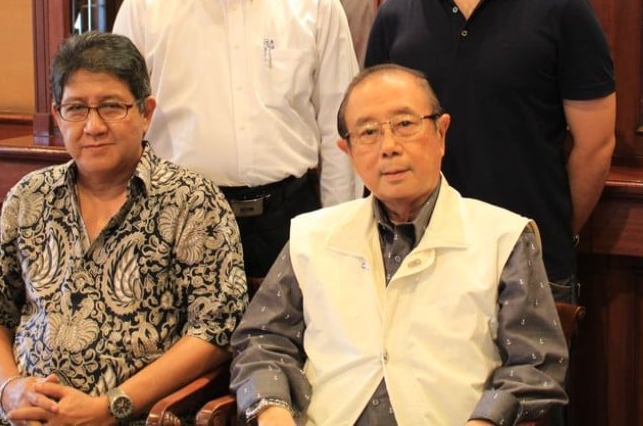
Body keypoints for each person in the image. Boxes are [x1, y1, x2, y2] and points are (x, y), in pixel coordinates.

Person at [230, 64, 569, 426]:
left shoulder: (504, 237)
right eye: (368, 132)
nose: (389, 147)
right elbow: (260, 341)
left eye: (405, 124)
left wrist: (484, 422)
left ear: (441, 132)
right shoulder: (311, 236)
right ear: (348, 151)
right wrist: (273, 413)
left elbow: (535, 365)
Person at [364, 0, 616, 301]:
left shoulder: (562, 8)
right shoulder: (394, 17)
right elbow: (375, 138)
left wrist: (547, 235)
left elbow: (596, 144)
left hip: (530, 266)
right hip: (417, 263)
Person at [0, 31, 247, 425]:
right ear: (57, 115)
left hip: (138, 418)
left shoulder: (192, 201)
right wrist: (10, 388)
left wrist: (109, 407)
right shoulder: (30, 196)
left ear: (146, 113)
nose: (93, 126)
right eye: (76, 109)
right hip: (27, 417)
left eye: (112, 107)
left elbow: (216, 330)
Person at [114, 0, 359, 279]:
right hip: (179, 217)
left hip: (291, 220)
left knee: (296, 325)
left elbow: (338, 129)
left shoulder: (316, 6)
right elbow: (122, 124)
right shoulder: (145, 6)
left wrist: (338, 227)